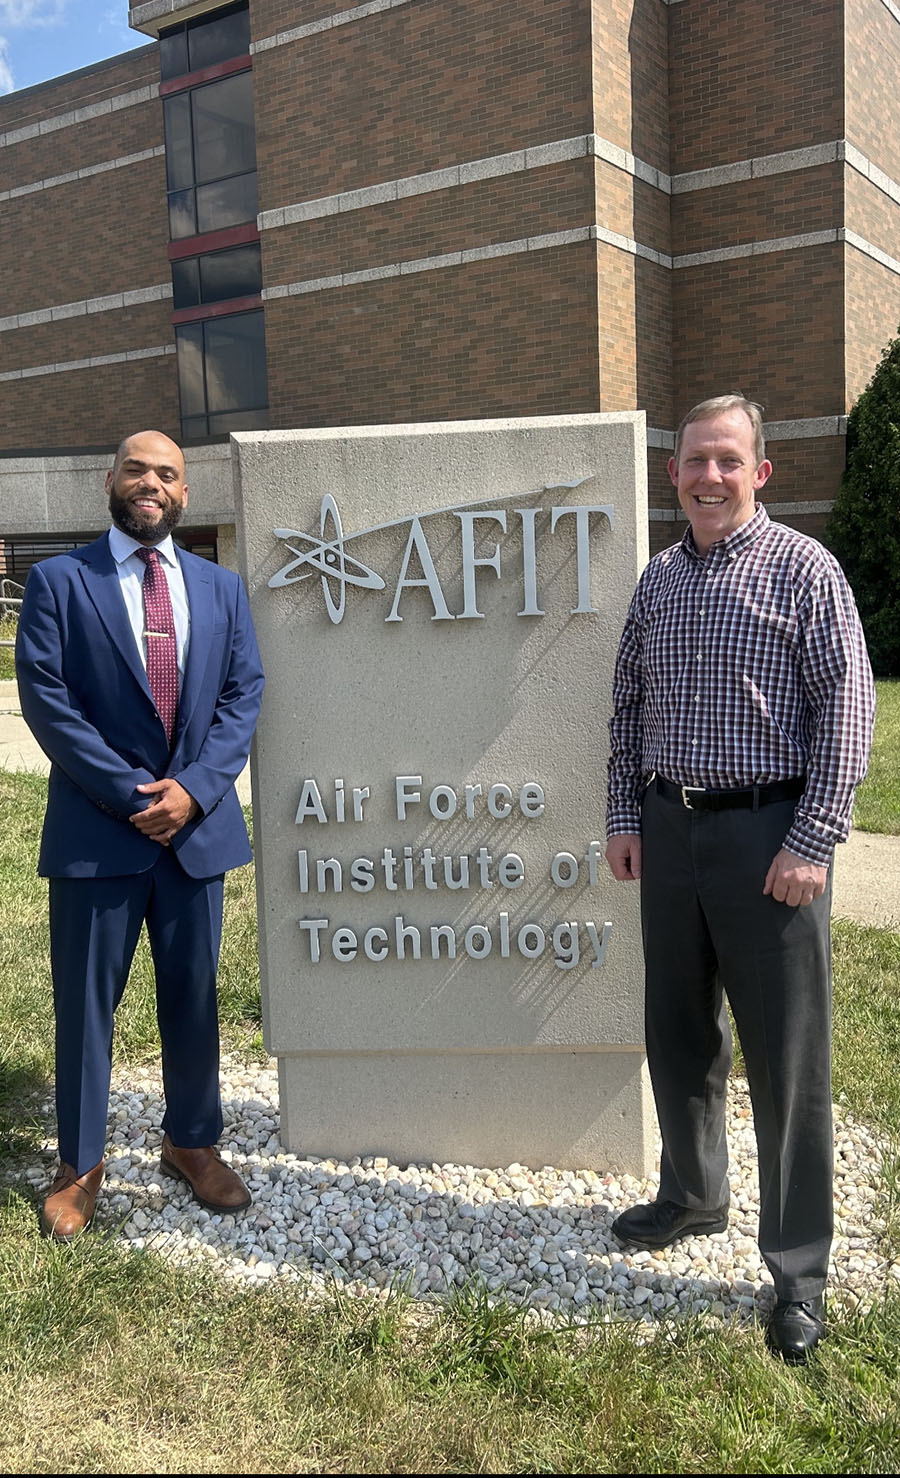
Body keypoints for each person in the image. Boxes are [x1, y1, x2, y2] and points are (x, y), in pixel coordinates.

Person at [605, 395, 875, 1362]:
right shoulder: (658, 582)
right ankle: (693, 1194)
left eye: (728, 460)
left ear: (760, 471)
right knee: (678, 1033)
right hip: (672, 835)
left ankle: (798, 1271)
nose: (708, 477)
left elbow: (847, 712)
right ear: (672, 473)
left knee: (788, 1063)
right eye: (693, 461)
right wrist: (626, 818)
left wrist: (812, 840)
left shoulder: (806, 570)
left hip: (772, 840)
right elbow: (627, 707)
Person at [16, 430, 265, 1241]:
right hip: (100, 830)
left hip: (195, 835)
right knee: (86, 1003)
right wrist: (134, 796)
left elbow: (242, 695)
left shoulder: (223, 590)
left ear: (186, 493)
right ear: (110, 480)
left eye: (168, 473)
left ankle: (190, 1142)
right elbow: (48, 701)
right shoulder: (60, 580)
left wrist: (192, 792)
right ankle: (80, 1163)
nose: (151, 482)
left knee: (194, 1000)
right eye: (137, 469)